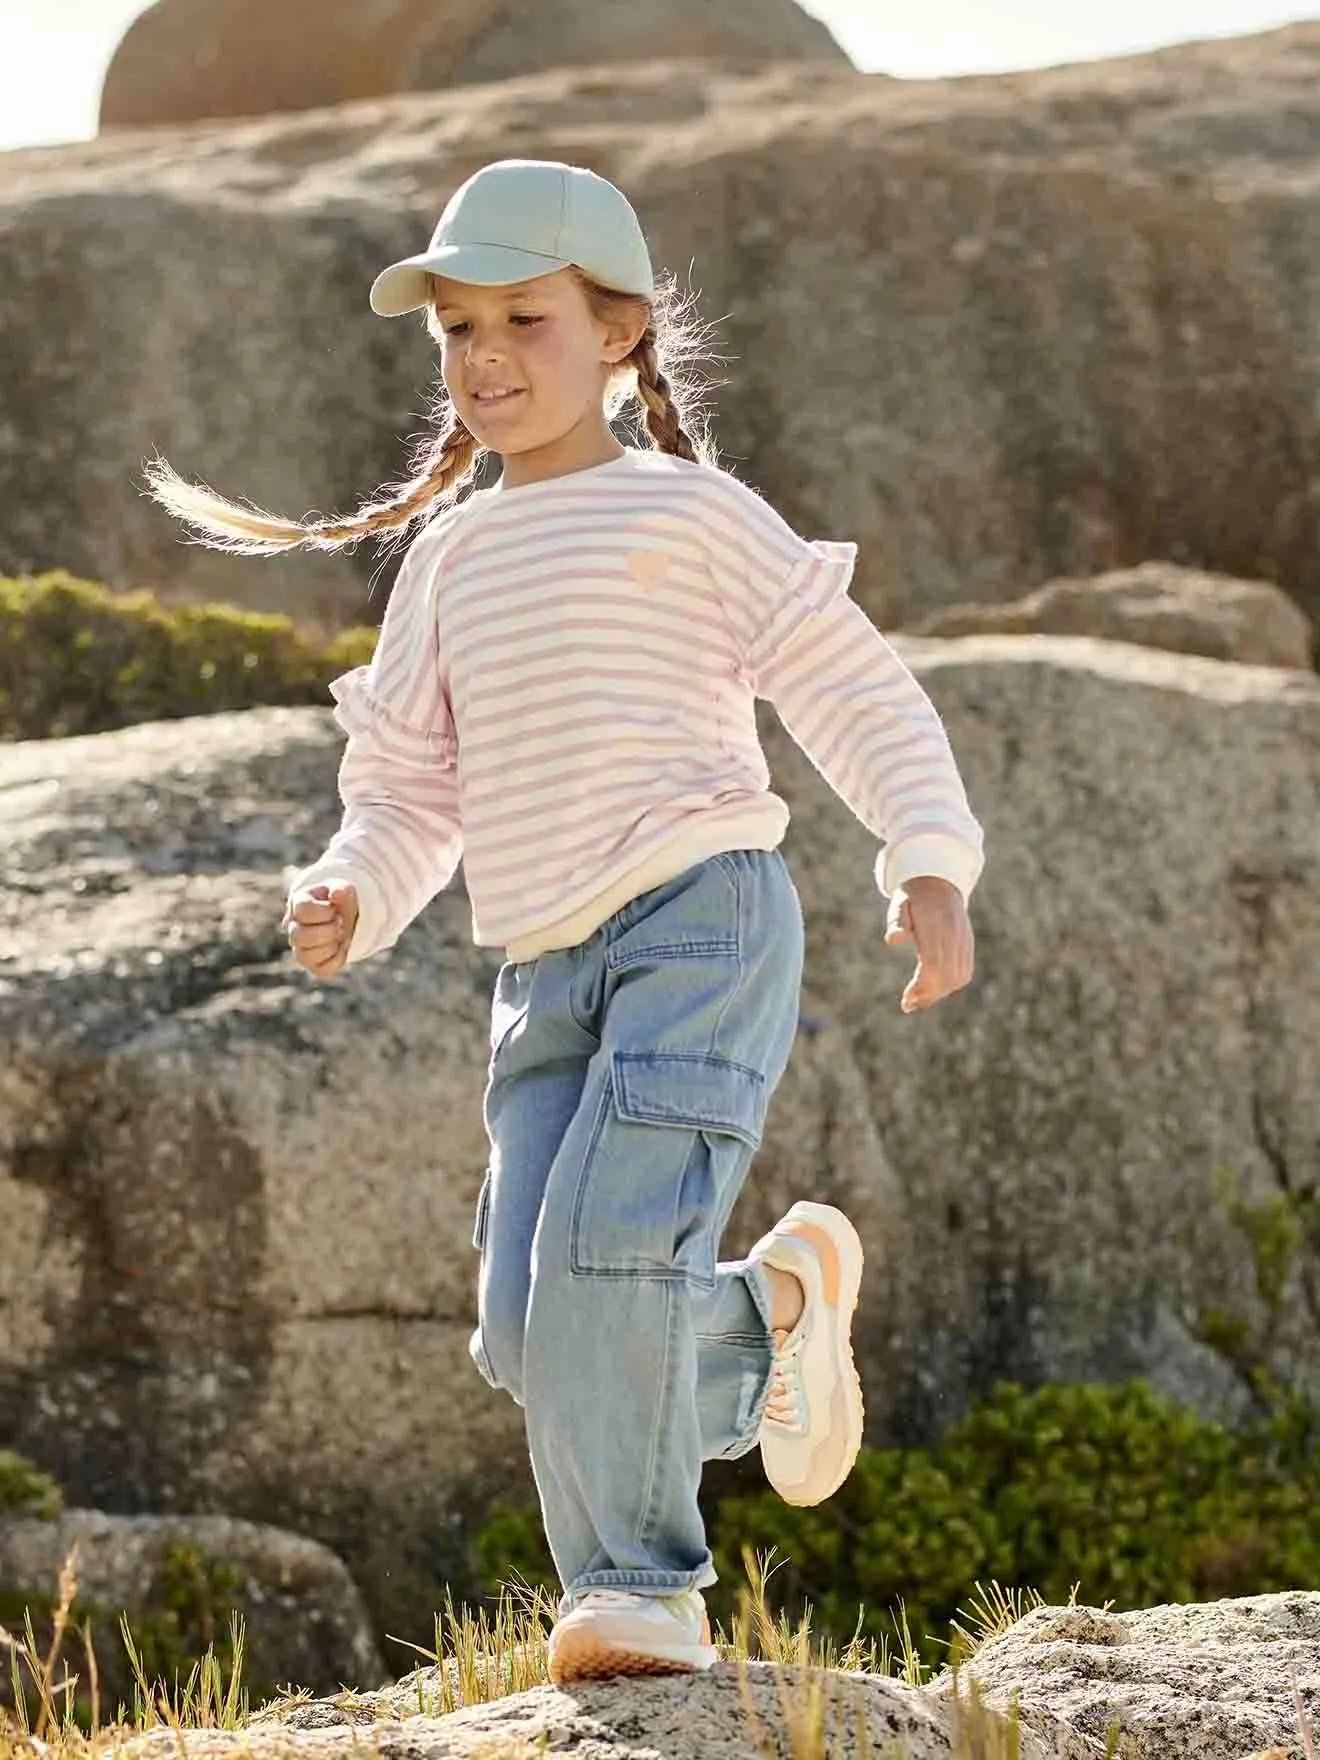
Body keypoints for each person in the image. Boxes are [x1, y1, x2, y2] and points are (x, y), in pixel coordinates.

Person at [143, 157, 984, 1686]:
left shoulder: (692, 515)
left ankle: (642, 1591)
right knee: (531, 1337)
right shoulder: (450, 558)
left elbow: (849, 686)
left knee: (605, 1260)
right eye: (455, 330)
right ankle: (775, 1310)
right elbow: (405, 784)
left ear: (618, 333)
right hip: (540, 971)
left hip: (701, 925)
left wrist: (926, 855)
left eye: (520, 319)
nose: (481, 359)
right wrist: (357, 886)